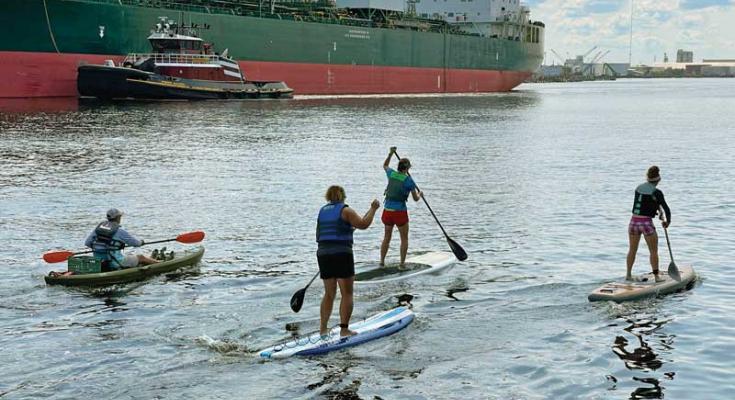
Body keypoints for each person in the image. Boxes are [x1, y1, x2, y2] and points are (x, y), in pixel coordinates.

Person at [316, 186, 380, 337]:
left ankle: (323, 329)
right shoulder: (346, 210)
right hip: (342, 254)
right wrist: (373, 209)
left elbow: (320, 234)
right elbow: (363, 224)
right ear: (343, 196)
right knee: (347, 293)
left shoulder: (322, 211)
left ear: (328, 197)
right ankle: (344, 330)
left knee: (329, 293)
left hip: (323, 254)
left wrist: (346, 230)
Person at [626, 166, 671, 281]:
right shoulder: (657, 192)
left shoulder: (638, 188)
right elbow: (666, 208)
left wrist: (657, 210)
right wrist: (667, 221)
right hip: (646, 223)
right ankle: (657, 277)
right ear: (658, 180)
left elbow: (644, 204)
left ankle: (628, 275)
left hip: (633, 222)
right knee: (653, 251)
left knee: (632, 250)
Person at [380, 147, 422, 267]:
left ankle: (382, 262)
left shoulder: (391, 174)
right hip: (399, 213)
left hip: (387, 212)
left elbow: (385, 165)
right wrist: (420, 194)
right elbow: (415, 198)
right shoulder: (409, 181)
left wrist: (390, 154)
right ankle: (402, 264)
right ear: (407, 168)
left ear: (399, 167)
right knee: (404, 239)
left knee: (386, 237)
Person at [85, 208, 158, 271]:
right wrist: (141, 242)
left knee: (129, 255)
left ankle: (152, 260)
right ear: (118, 218)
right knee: (141, 257)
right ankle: (160, 264)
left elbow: (87, 243)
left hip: (100, 262)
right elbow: (136, 244)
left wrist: (101, 249)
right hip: (116, 263)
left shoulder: (98, 229)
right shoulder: (119, 231)